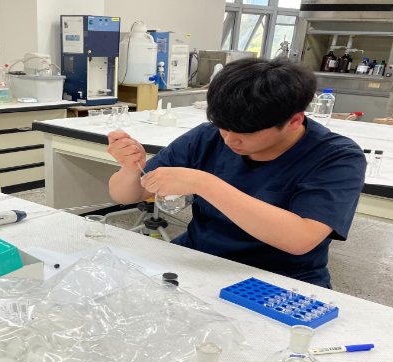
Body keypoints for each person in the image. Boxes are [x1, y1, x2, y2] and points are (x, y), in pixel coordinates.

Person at [107, 58, 366, 288]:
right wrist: (130, 168)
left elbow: (300, 239)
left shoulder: (336, 157)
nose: (230, 140)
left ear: (294, 121)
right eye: (223, 127)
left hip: (279, 278)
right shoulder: (207, 136)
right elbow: (128, 196)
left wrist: (204, 184)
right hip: (199, 258)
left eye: (246, 133)